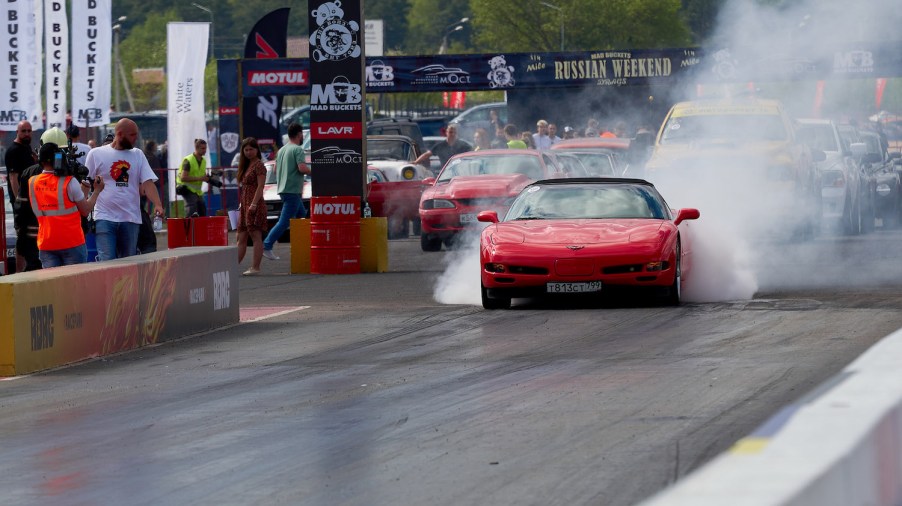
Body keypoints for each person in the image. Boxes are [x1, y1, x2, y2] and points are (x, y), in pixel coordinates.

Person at [84, 118, 164, 261]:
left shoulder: (138, 154)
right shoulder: (95, 154)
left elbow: (148, 183)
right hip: (104, 217)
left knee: (128, 263)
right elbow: (85, 183)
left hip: (130, 218)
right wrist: (81, 208)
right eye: (132, 135)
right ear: (120, 134)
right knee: (107, 261)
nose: (136, 138)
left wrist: (157, 204)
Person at [28, 141, 105, 267]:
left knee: (53, 285)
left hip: (47, 243)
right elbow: (85, 210)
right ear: (58, 158)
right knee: (74, 285)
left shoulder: (32, 182)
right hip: (72, 243)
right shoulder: (69, 182)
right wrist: (97, 191)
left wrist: (83, 187)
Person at [262, 122, 310, 260]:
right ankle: (267, 245)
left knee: (302, 215)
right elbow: (302, 168)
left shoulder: (282, 150)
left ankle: (305, 243)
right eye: (302, 135)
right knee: (284, 221)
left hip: (283, 189)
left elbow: (276, 170)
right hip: (293, 190)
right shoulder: (297, 150)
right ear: (300, 134)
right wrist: (314, 173)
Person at [236, 137, 268, 275]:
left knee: (255, 236)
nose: (249, 152)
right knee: (241, 237)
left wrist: (254, 204)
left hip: (254, 204)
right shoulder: (246, 165)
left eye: (251, 149)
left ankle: (256, 267)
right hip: (245, 204)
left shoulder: (259, 165)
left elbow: (261, 186)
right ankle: (232, 266)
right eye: (246, 149)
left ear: (257, 150)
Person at [5, 120, 36, 207]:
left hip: (30, 196)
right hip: (21, 199)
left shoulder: (27, 147)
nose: (27, 134)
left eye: (29, 131)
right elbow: (13, 178)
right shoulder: (13, 150)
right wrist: (19, 199)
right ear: (17, 132)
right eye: (23, 131)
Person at [177, 138, 210, 217]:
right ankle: (188, 227)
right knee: (192, 209)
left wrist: (207, 177)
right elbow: (183, 178)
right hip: (186, 188)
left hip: (197, 191)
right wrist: (200, 178)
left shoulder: (203, 161)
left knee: (202, 209)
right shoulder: (188, 160)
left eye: (205, 148)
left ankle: (200, 228)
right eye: (202, 148)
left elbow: (200, 174)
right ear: (196, 148)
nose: (205, 150)